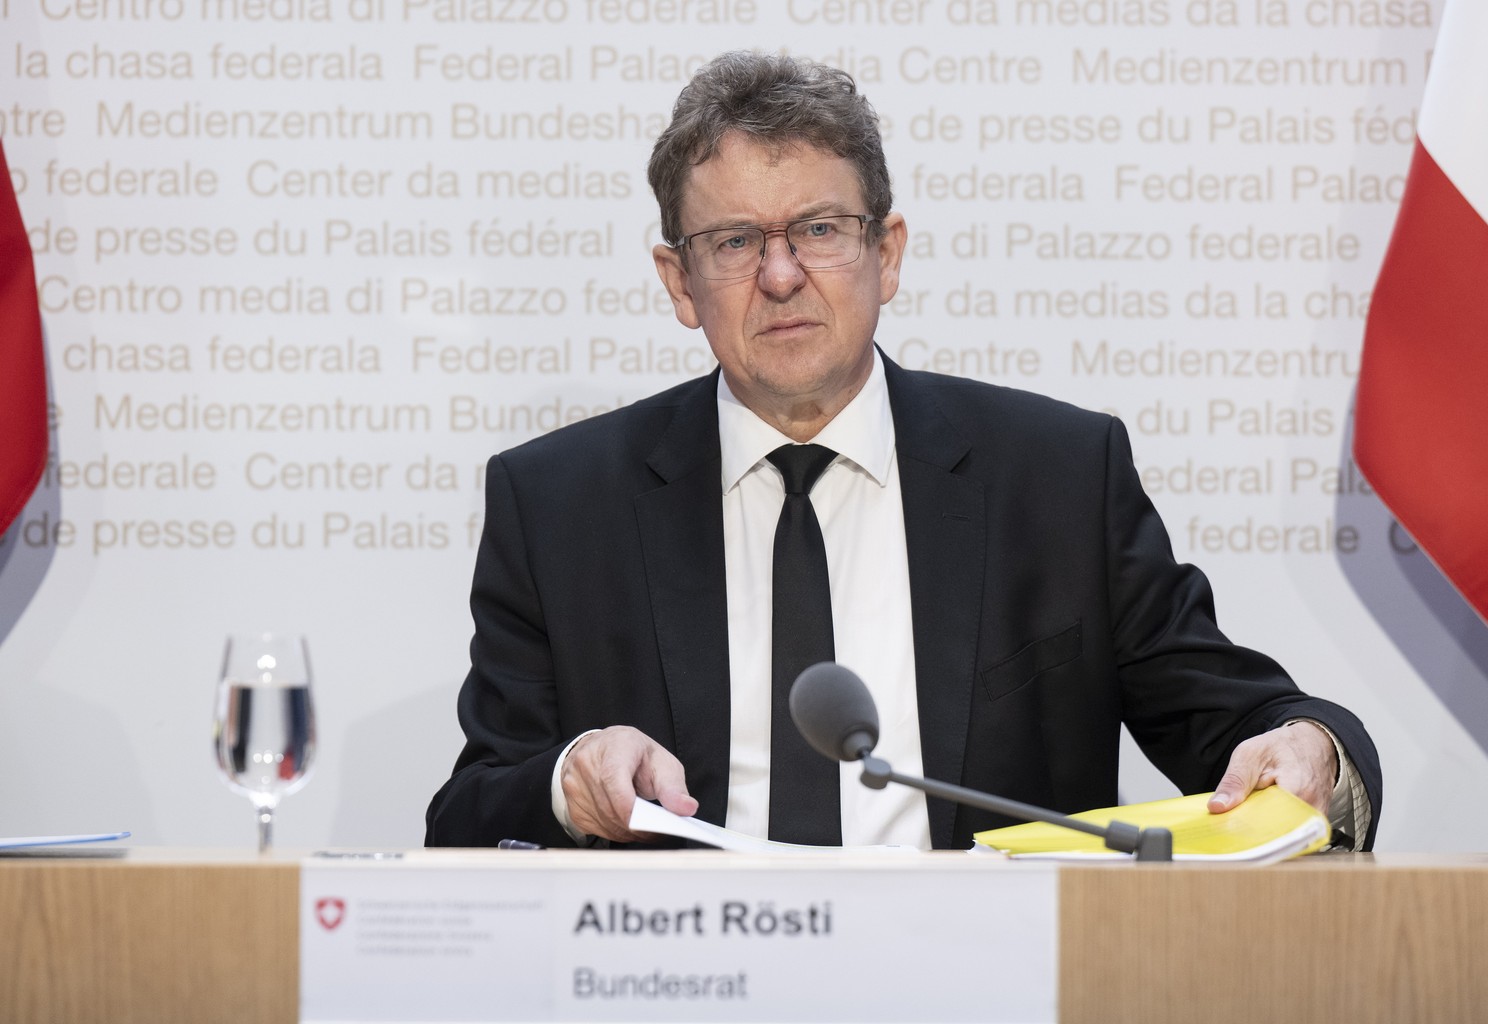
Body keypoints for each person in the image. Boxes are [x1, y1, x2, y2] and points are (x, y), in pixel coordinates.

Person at [425, 51, 1380, 851]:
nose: (783, 275)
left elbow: (1241, 717)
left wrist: (1310, 751)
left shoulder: (1056, 478)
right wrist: (568, 783)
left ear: (887, 252)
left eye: (819, 230)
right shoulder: (558, 504)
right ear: (679, 282)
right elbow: (466, 817)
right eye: (733, 242)